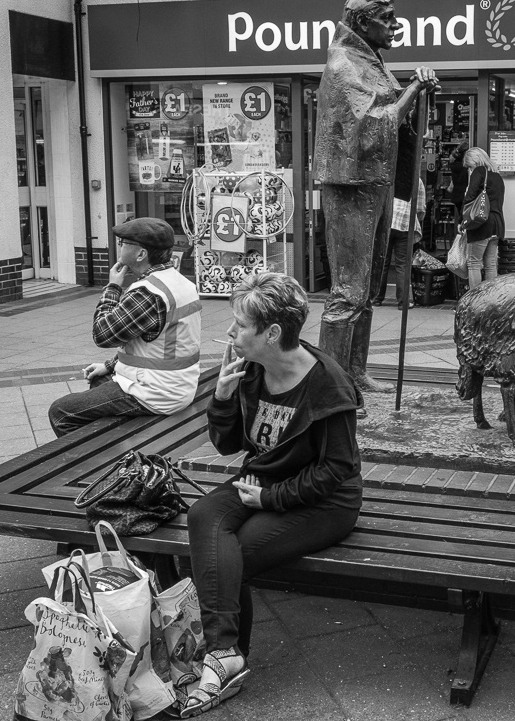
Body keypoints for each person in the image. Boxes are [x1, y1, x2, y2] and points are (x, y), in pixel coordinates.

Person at [186, 272, 362, 715]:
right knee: (203, 516)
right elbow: (229, 445)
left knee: (235, 553)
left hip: (325, 501)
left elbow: (336, 469)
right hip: (262, 479)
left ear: (272, 333)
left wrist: (272, 500)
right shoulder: (249, 370)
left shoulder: (327, 384)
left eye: (240, 325)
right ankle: (225, 656)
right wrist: (222, 398)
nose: (229, 332)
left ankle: (224, 659)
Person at [313, 0, 438, 394]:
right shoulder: (343, 63)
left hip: (376, 184)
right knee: (348, 291)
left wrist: (419, 98)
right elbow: (369, 126)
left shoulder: (371, 61)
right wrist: (412, 92)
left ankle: (355, 371)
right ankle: (332, 386)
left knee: (367, 289)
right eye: (388, 18)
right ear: (364, 22)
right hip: (351, 187)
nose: (395, 25)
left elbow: (397, 122)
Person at [47, 217, 202, 436]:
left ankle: (99, 463)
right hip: (178, 385)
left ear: (141, 254)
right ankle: (115, 445)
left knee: (61, 412)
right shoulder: (179, 282)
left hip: (156, 393)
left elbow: (102, 334)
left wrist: (112, 287)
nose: (120, 247)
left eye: (124, 243)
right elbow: (152, 341)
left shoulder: (148, 293)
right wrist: (110, 366)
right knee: (100, 379)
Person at [372, 177, 425, 309]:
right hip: (405, 224)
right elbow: (420, 208)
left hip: (386, 223)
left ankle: (377, 298)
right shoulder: (416, 180)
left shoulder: (387, 177)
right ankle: (403, 301)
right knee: (402, 264)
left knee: (383, 262)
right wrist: (417, 219)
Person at [460, 147, 506, 290]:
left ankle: (475, 302)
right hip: (497, 225)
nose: (469, 170)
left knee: (474, 263)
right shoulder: (497, 176)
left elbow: (470, 197)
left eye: (469, 166)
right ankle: (489, 300)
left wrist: (462, 221)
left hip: (481, 224)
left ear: (475, 161)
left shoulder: (479, 171)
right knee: (490, 263)